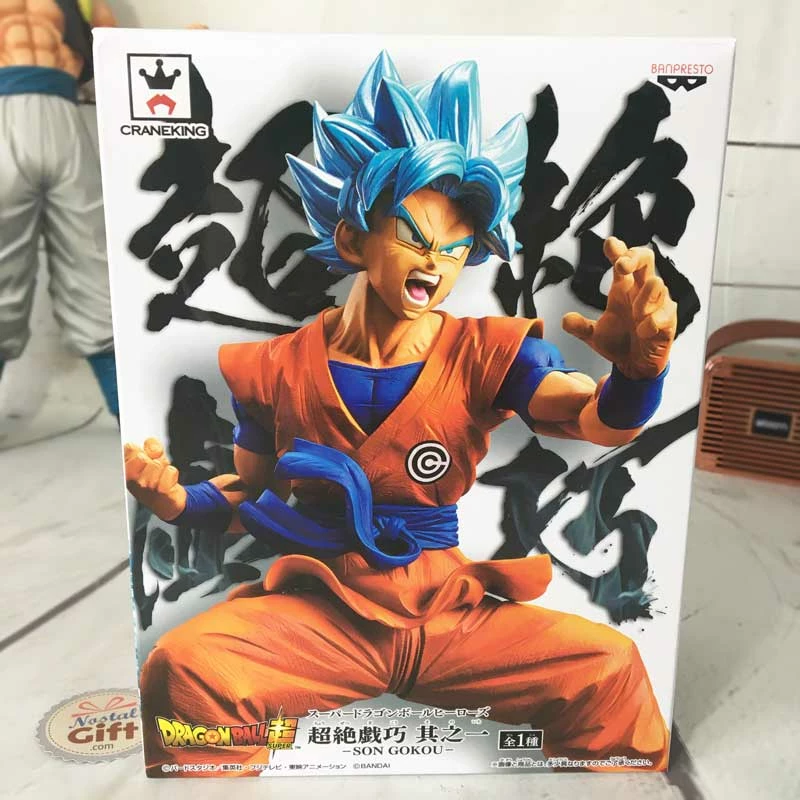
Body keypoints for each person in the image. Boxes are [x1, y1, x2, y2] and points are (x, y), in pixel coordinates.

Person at [125, 52, 678, 776]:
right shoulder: (272, 367)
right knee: (186, 670)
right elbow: (252, 497)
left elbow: (594, 420)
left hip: (448, 612)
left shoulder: (487, 351)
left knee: (608, 668)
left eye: (456, 249)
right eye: (415, 237)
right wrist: (176, 501)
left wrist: (638, 374)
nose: (434, 264)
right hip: (323, 614)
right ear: (352, 239)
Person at [0, 0, 118, 418]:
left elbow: (118, 49)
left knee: (98, 273)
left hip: (67, 117)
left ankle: (136, 428)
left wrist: (182, 48)